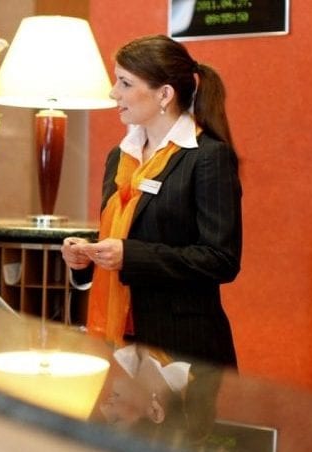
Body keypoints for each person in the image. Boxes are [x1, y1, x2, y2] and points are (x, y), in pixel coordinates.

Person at [61, 35, 242, 367]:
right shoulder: (121, 155)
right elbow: (125, 236)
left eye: (125, 83)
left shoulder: (208, 157)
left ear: (165, 94)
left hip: (183, 350)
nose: (114, 92)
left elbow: (221, 259)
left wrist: (129, 256)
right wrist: (87, 257)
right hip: (116, 342)